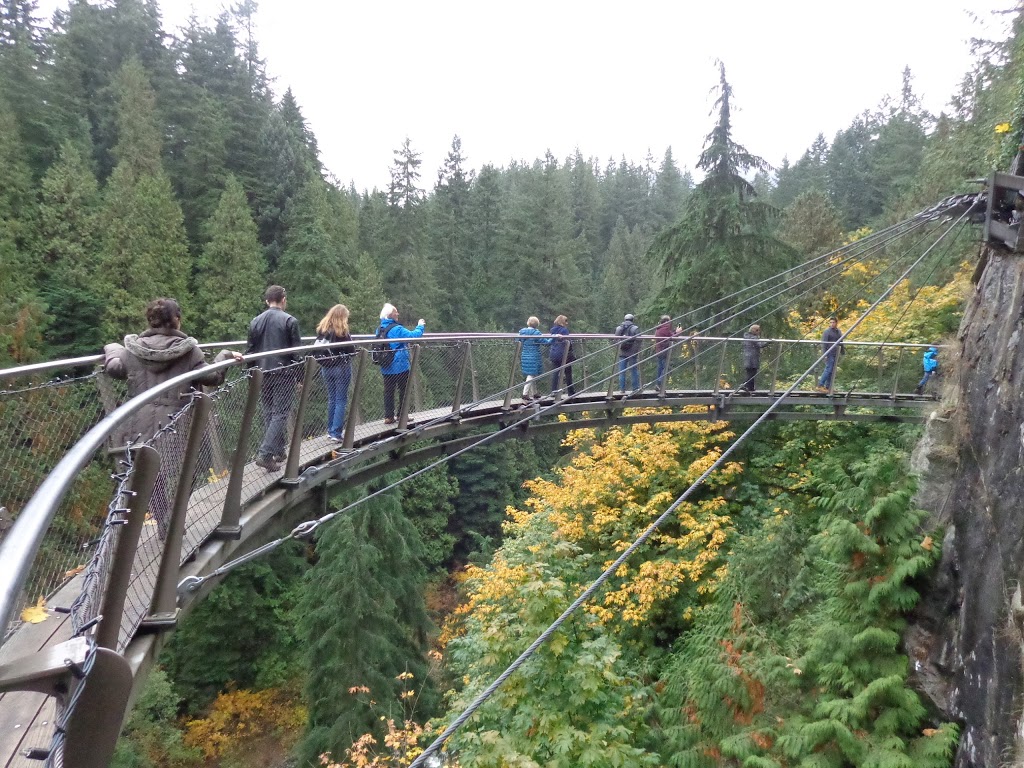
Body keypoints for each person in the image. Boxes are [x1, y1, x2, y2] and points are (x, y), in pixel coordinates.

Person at [104, 297, 241, 534]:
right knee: (187, 467)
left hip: (138, 419)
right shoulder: (189, 352)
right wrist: (226, 355)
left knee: (149, 471)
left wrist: (113, 348)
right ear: (176, 320)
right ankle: (172, 517)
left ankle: (161, 518)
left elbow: (114, 367)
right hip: (176, 421)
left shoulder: (134, 350)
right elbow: (212, 377)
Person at [246, 285, 302, 472]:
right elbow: (296, 354)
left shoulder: (255, 321)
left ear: (267, 301)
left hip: (262, 372)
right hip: (283, 372)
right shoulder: (290, 321)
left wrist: (250, 375)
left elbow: (250, 351)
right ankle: (265, 453)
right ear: (284, 299)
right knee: (280, 413)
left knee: (269, 412)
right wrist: (300, 377)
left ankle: (278, 451)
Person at [377, 303, 425, 424]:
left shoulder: (380, 329)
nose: (397, 314)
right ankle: (402, 415)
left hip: (386, 365)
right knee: (404, 390)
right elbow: (413, 336)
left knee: (388, 391)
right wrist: (420, 326)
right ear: (390, 315)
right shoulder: (397, 329)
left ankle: (388, 416)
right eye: (395, 312)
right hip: (400, 365)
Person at [314, 304, 355, 441]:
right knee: (341, 399)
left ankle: (330, 429)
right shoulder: (341, 331)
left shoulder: (323, 329)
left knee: (332, 399)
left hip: (326, 368)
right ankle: (336, 432)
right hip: (341, 368)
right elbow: (351, 350)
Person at [519, 316, 551, 401]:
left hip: (525, 355)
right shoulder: (536, 333)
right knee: (531, 374)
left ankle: (534, 393)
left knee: (532, 374)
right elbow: (546, 343)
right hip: (534, 355)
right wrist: (554, 338)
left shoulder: (523, 332)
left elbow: (517, 340)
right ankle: (525, 394)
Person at [654, 315, 684, 390]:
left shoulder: (659, 329)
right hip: (664, 351)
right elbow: (672, 337)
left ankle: (658, 384)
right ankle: (660, 382)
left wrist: (675, 332)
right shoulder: (666, 328)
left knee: (660, 368)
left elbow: (669, 335)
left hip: (659, 351)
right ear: (667, 322)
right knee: (667, 368)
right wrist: (678, 332)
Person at [549, 315, 576, 397]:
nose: (567, 323)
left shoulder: (553, 330)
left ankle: (554, 390)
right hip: (563, 354)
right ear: (563, 322)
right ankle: (571, 391)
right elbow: (568, 342)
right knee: (568, 372)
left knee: (556, 372)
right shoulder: (564, 330)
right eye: (566, 321)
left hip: (554, 353)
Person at [615, 313, 641, 392]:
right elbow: (639, 339)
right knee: (634, 371)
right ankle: (635, 388)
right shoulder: (635, 328)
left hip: (622, 352)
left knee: (622, 371)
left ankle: (622, 389)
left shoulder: (619, 328)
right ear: (632, 319)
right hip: (632, 353)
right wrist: (636, 350)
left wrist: (620, 347)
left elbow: (616, 339)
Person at [816, 316, 844, 392]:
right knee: (828, 369)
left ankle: (828, 387)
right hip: (829, 353)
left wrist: (842, 352)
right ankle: (820, 385)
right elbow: (824, 344)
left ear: (836, 323)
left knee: (832, 370)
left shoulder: (838, 331)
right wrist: (824, 354)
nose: (832, 324)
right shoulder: (827, 332)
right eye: (830, 322)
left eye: (833, 322)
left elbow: (841, 341)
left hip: (836, 353)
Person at [740, 324, 769, 393]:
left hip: (747, 357)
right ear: (754, 330)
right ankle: (746, 386)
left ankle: (750, 388)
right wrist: (769, 342)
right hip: (752, 358)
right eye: (757, 330)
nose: (759, 332)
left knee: (750, 373)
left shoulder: (746, 336)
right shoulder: (753, 337)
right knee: (752, 373)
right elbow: (760, 345)